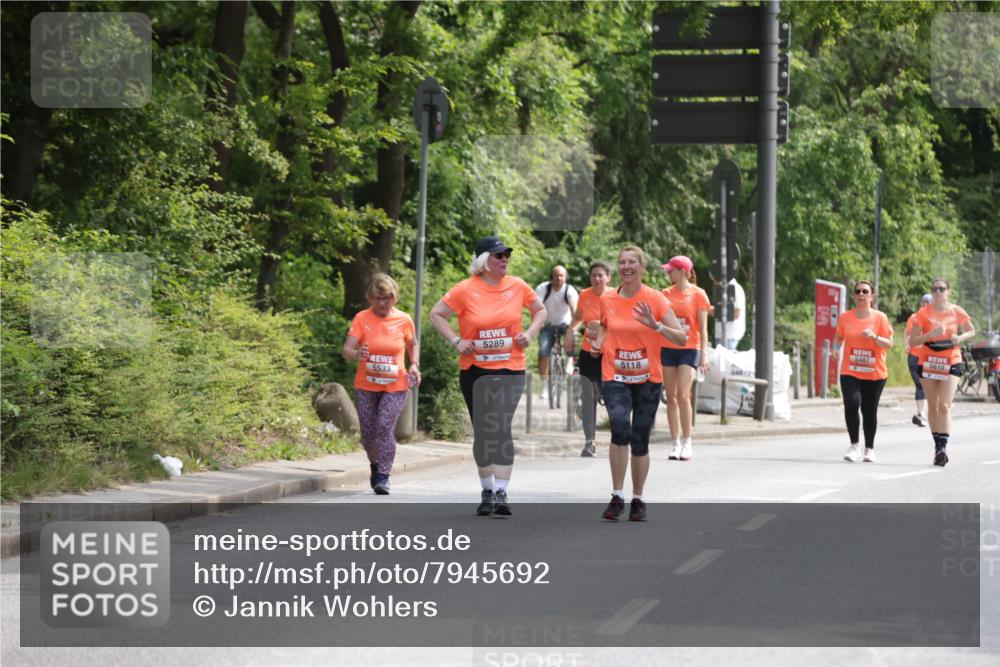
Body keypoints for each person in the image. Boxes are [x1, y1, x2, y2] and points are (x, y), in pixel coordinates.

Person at [429, 236, 546, 515]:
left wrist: (529, 333)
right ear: (484, 261)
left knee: (501, 426)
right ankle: (487, 489)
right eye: (499, 255)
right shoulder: (465, 289)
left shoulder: (517, 286)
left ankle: (502, 493)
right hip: (475, 370)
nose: (505, 259)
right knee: (483, 431)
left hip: (510, 368)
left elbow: (539, 310)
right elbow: (436, 314)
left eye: (507, 254)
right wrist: (456, 341)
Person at [587, 245, 687, 522]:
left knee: (640, 439)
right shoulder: (608, 298)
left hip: (647, 379)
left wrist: (656, 326)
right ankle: (617, 496)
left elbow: (680, 338)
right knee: (620, 430)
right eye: (622, 262)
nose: (627, 267)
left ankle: (638, 499)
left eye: (632, 262)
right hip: (615, 376)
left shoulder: (655, 299)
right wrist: (599, 341)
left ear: (642, 268)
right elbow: (606, 325)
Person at [342, 274, 420, 495]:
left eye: (387, 298)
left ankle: (384, 475)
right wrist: (357, 353)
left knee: (385, 425)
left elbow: (413, 344)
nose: (382, 303)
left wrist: (414, 365)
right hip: (366, 384)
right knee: (368, 431)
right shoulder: (361, 318)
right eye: (378, 298)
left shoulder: (404, 319)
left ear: (394, 297)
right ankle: (375, 465)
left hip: (396, 385)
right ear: (370, 297)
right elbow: (346, 351)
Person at [908, 278, 976, 466]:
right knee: (934, 405)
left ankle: (943, 447)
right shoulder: (923, 313)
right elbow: (913, 341)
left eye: (942, 288)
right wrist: (930, 334)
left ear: (948, 291)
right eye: (935, 289)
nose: (938, 292)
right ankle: (937, 446)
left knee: (945, 406)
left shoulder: (956, 311)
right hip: (929, 360)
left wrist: (959, 338)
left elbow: (972, 330)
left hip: (951, 359)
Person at [833, 280, 894, 463]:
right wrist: (836, 348)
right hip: (850, 370)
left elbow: (890, 343)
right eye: (858, 291)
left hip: (874, 372)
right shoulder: (846, 317)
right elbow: (838, 337)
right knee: (852, 403)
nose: (861, 294)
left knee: (869, 409)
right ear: (854, 296)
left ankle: (869, 448)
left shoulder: (880, 318)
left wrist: (875, 337)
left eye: (865, 291)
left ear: (872, 296)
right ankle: (854, 446)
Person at [660, 255, 712, 461]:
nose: (668, 273)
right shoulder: (664, 294)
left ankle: (687, 442)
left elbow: (703, 328)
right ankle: (675, 443)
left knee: (683, 394)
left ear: (682, 272)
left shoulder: (698, 294)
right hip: (667, 347)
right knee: (670, 397)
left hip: (690, 348)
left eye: (671, 270)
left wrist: (704, 354)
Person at [565, 261, 612, 457]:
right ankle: (589, 442)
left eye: (601, 275)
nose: (597, 278)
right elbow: (577, 317)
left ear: (608, 277)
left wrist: (602, 330)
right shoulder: (585, 295)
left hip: (610, 354)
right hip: (588, 353)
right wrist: (570, 332)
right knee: (589, 396)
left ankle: (621, 438)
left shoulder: (616, 295)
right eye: (594, 275)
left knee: (612, 396)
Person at [535, 265, 579, 399]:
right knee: (543, 351)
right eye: (556, 275)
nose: (559, 278)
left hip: (566, 324)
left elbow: (574, 311)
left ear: (566, 277)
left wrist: (572, 330)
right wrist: (539, 322)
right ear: (552, 276)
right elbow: (536, 306)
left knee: (572, 345)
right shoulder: (543, 288)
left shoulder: (569, 290)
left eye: (562, 275)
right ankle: (544, 387)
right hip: (548, 324)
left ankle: (570, 361)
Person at [906, 293, 934, 427]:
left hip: (928, 357)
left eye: (928, 303)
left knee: (927, 385)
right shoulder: (914, 317)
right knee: (920, 384)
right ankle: (921, 414)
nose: (926, 305)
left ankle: (923, 414)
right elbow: (907, 332)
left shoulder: (935, 319)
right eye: (924, 302)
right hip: (915, 356)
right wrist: (907, 344)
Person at [713, 276, 746, 350]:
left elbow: (736, 313)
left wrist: (710, 310)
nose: (714, 282)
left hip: (729, 336)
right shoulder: (723, 288)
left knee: (725, 360)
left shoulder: (735, 288)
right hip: (723, 335)